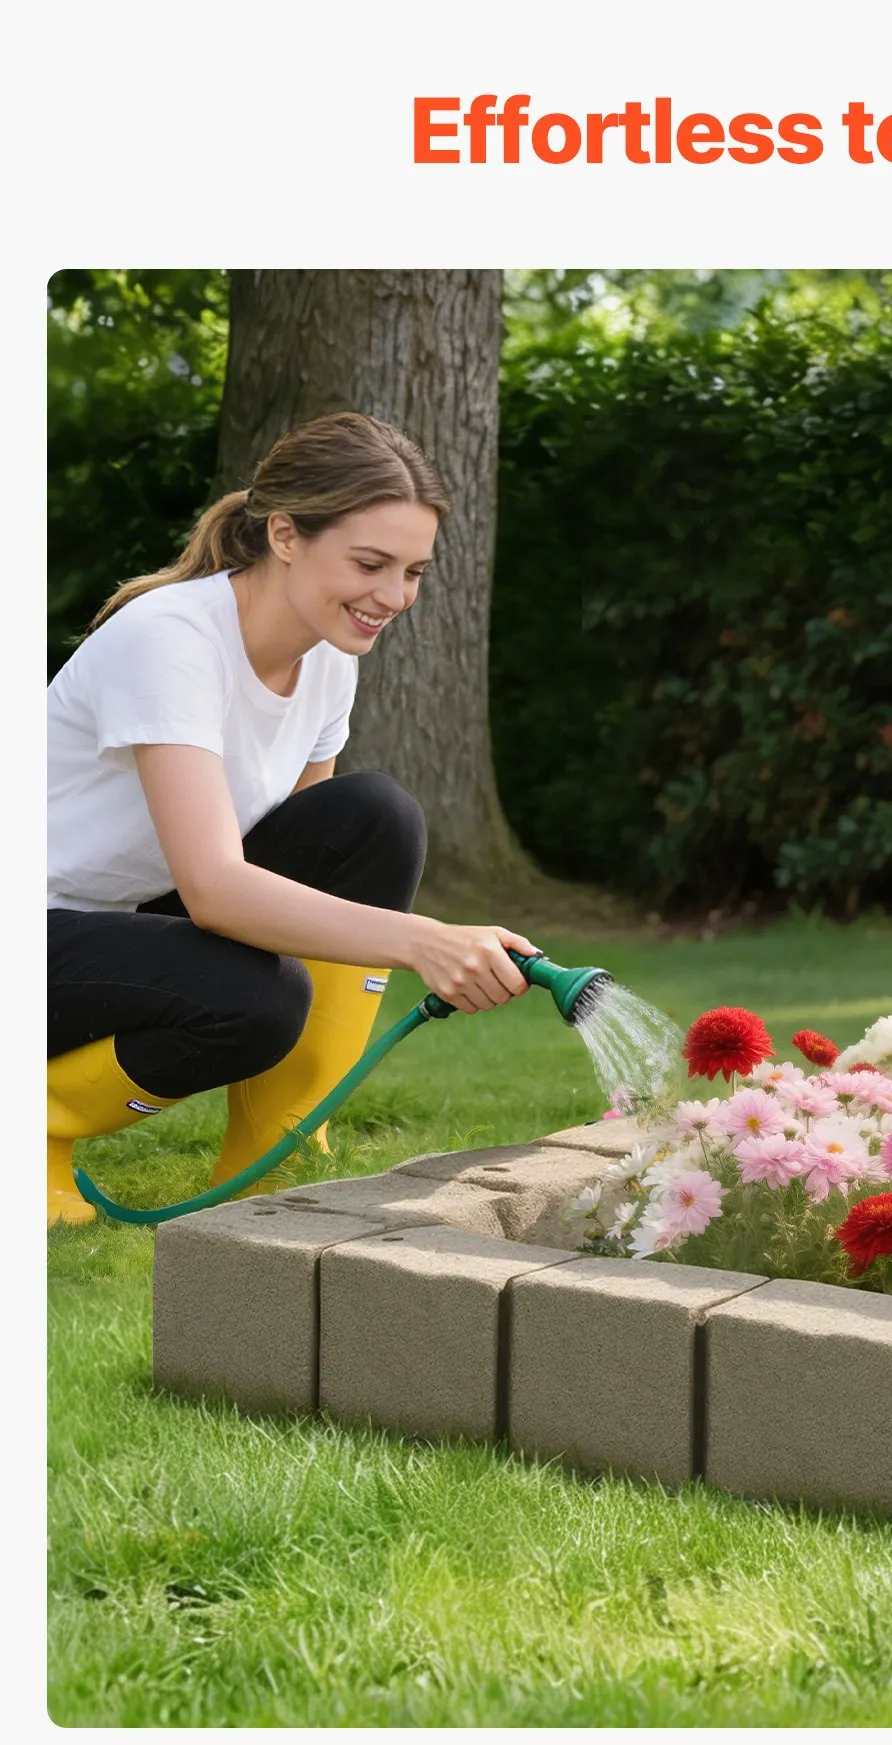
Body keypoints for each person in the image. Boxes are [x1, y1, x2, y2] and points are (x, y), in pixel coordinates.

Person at [47, 411, 536, 1225]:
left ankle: (274, 1149)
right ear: (284, 535)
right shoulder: (170, 640)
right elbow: (215, 889)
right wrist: (426, 942)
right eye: (371, 564)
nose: (394, 596)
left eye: (414, 571)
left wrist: (407, 931)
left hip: (127, 924)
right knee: (255, 998)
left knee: (377, 818)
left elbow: (308, 860)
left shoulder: (327, 658)